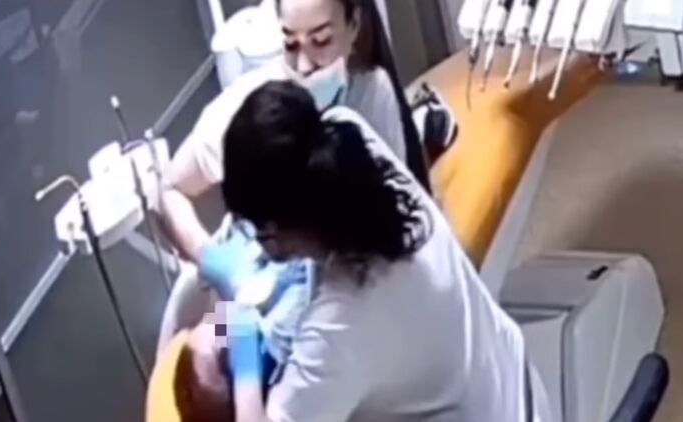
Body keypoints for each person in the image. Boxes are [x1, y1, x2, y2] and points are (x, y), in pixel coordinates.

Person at [179, 80, 551, 422]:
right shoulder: (344, 142)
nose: (220, 328)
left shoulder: (341, 327)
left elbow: (258, 333)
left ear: (288, 229)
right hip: (504, 375)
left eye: (257, 229)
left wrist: (244, 362)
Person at [161, 0, 428, 266]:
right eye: (290, 44)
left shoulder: (372, 94)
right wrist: (214, 263)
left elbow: (396, 209)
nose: (303, 66)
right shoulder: (253, 111)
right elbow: (169, 190)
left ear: (354, 25)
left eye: (321, 41)